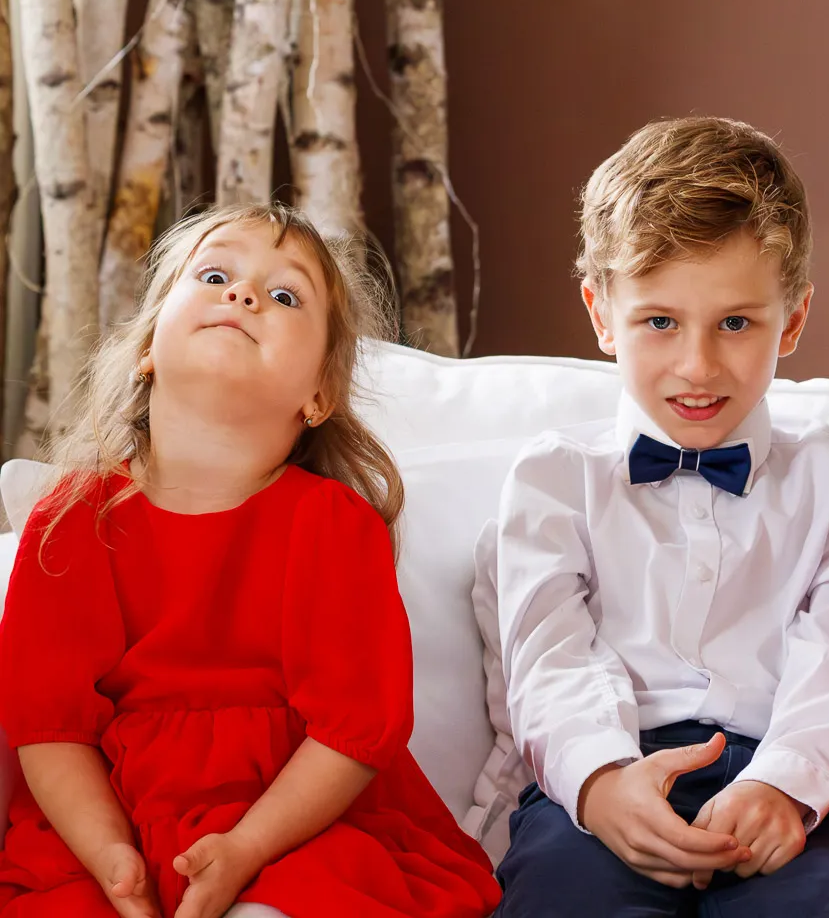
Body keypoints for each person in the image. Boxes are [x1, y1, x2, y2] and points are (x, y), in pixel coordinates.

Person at [0, 204, 501, 918]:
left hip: (295, 825)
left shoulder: (333, 524)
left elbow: (353, 733)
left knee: (310, 895)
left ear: (320, 395)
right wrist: (112, 859)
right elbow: (51, 729)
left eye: (285, 294)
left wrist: (245, 849)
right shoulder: (72, 519)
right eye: (214, 276)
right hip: (104, 822)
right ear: (148, 347)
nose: (242, 294)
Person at [493, 117, 829, 918]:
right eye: (660, 322)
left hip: (782, 785)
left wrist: (783, 783)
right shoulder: (553, 480)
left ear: (794, 319)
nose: (698, 365)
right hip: (599, 781)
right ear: (602, 314)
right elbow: (548, 657)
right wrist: (601, 782)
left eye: (736, 323)